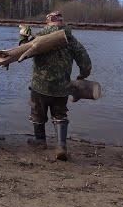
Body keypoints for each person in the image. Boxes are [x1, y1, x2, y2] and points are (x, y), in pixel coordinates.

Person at [26, 11, 91, 161]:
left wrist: (23, 36)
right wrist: (82, 76)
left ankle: (40, 141)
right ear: (61, 22)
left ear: (48, 22)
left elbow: (22, 53)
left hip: (40, 86)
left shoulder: (39, 37)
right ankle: (61, 146)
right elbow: (85, 62)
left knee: (37, 113)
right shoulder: (71, 39)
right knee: (60, 115)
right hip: (62, 87)